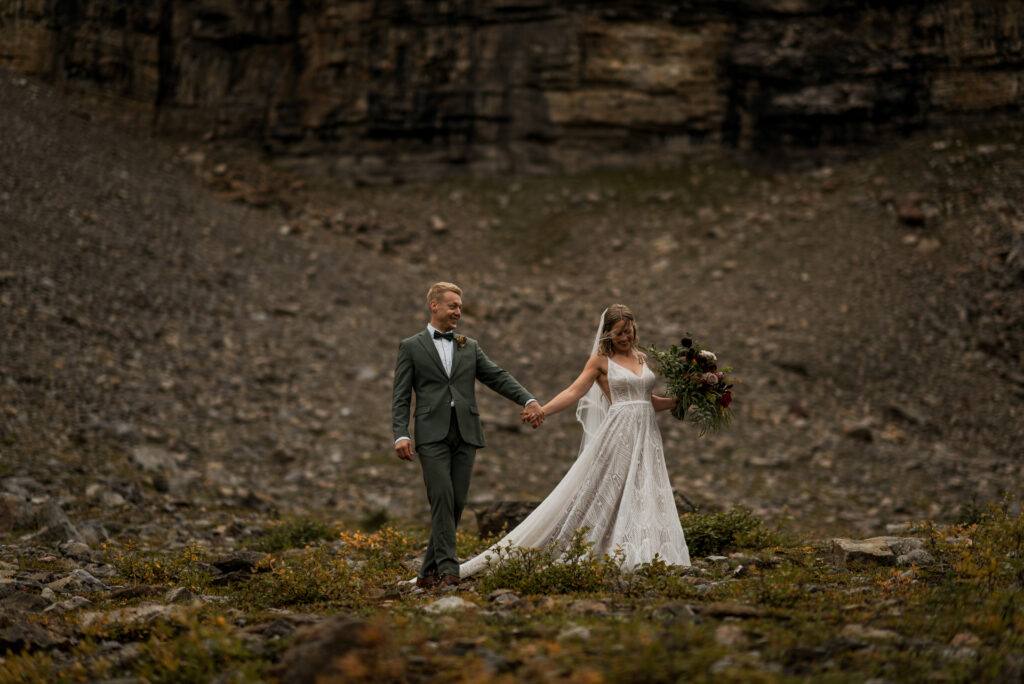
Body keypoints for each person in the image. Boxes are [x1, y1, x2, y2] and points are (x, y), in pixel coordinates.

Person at [459, 304, 690, 578]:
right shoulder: (600, 361)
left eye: (628, 331)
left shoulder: (641, 358)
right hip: (619, 432)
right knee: (606, 490)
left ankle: (645, 552)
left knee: (644, 488)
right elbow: (573, 391)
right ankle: (589, 547)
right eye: (618, 334)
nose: (625, 338)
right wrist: (543, 409)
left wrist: (679, 400)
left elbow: (647, 401)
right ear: (607, 335)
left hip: (647, 434)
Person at [392, 282, 545, 589]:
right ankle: (449, 571)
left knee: (456, 502)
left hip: (466, 432)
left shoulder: (468, 345)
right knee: (442, 498)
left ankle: (425, 574)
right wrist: (400, 434)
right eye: (453, 306)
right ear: (434, 306)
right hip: (430, 434)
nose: (458, 312)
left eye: (460, 307)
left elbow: (497, 376)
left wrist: (527, 399)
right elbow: (401, 396)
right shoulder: (411, 346)